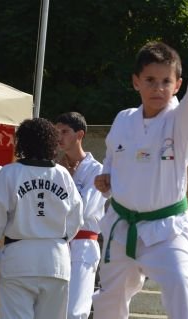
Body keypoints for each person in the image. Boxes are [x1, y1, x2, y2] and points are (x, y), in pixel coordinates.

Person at [92, 41, 188, 319]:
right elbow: (113, 152)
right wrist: (106, 174)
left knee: (181, 284)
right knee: (110, 298)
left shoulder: (178, 121)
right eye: (150, 80)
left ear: (177, 84)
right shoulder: (124, 119)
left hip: (166, 230)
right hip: (122, 227)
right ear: (136, 82)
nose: (158, 88)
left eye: (165, 81)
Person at [0, 118, 84, 319]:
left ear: (22, 142)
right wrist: (56, 239)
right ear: (51, 143)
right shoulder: (63, 175)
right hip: (56, 262)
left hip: (18, 261)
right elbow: (76, 219)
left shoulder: (9, 173)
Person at [55, 112, 107, 319]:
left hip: (83, 244)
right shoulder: (55, 168)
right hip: (56, 245)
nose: (59, 137)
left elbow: (83, 210)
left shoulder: (97, 170)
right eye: (56, 132)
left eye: (64, 132)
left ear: (80, 135)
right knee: (53, 310)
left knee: (75, 311)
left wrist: (68, 179)